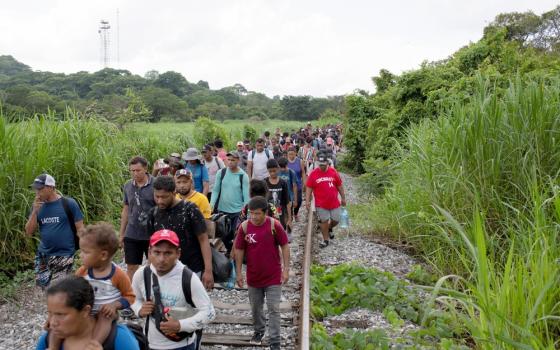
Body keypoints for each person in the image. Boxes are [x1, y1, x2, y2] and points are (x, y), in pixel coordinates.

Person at [49, 222, 136, 349]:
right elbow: (70, 291)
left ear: (103, 255)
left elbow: (130, 297)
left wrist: (114, 305)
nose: (81, 255)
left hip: (105, 314)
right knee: (58, 324)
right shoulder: (83, 272)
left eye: (85, 252)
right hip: (85, 313)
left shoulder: (118, 275)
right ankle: (52, 347)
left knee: (105, 318)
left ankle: (94, 344)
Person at [132, 230, 215, 350]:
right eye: (157, 252)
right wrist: (139, 309)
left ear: (178, 254)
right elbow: (133, 298)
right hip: (149, 343)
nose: (161, 259)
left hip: (182, 345)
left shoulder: (188, 278)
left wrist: (180, 326)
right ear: (149, 252)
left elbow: (209, 312)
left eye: (168, 253)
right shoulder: (142, 274)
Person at [235, 196, 290, 350]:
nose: (254, 217)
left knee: (274, 308)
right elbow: (238, 250)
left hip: (273, 276)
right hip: (253, 277)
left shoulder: (274, 225)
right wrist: (238, 273)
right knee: (256, 308)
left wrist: (286, 270)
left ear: (265, 213)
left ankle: (274, 341)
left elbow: (285, 245)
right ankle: (259, 331)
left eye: (257, 213)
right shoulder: (244, 227)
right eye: (251, 213)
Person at [146, 176, 213, 290]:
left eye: (164, 197)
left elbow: (203, 239)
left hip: (191, 269)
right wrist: (150, 267)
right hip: (163, 269)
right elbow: (152, 244)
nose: (160, 201)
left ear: (174, 193)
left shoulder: (190, 210)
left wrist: (208, 271)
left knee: (191, 304)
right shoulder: (153, 213)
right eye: (157, 196)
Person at [37, 276, 139, 350]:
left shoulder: (119, 338)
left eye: (60, 314)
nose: (53, 322)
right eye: (50, 313)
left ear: (85, 311)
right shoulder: (47, 340)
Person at [25, 173, 84, 289]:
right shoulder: (37, 206)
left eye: (40, 189)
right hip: (43, 255)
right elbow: (28, 232)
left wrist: (85, 251)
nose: (37, 192)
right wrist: (35, 212)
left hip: (64, 254)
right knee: (44, 288)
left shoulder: (69, 204)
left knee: (58, 289)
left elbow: (81, 229)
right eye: (35, 189)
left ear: (51, 188)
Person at [119, 156, 156, 282]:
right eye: (132, 171)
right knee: (131, 266)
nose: (135, 173)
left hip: (151, 232)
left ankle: (151, 293)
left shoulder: (155, 185)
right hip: (132, 232)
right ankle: (131, 295)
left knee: (152, 266)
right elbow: (126, 209)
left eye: (138, 170)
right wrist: (122, 234)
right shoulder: (128, 186)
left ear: (145, 169)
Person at [210, 151, 250, 254]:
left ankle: (236, 254)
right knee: (223, 235)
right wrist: (211, 204)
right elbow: (216, 190)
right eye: (229, 160)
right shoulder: (221, 173)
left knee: (235, 234)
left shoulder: (243, 176)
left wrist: (246, 212)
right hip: (222, 210)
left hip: (237, 212)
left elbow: (246, 196)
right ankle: (230, 251)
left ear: (238, 161)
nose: (230, 162)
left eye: (233, 160)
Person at [305, 153, 346, 248]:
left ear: (327, 163)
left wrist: (343, 198)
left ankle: (329, 228)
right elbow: (309, 188)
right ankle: (325, 240)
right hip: (321, 203)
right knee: (324, 221)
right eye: (320, 164)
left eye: (323, 164)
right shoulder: (314, 173)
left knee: (336, 220)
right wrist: (307, 201)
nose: (322, 166)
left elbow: (339, 185)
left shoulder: (333, 172)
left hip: (334, 202)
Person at [264, 159, 290, 230]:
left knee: (280, 232)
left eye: (274, 171)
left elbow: (287, 201)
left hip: (280, 215)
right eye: (270, 171)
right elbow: (261, 200)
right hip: (268, 215)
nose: (272, 173)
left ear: (278, 169)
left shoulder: (283, 183)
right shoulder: (264, 182)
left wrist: (289, 218)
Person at [277, 157, 298, 236]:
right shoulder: (277, 173)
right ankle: (282, 232)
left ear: (287, 165)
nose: (282, 169)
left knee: (289, 216)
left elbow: (294, 186)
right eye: (280, 167)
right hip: (279, 199)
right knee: (280, 216)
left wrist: (295, 200)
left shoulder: (291, 172)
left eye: (284, 167)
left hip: (289, 198)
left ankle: (289, 233)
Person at [286, 147, 306, 219]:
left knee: (299, 201)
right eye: (289, 154)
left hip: (298, 185)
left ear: (295, 153)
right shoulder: (285, 162)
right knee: (289, 202)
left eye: (292, 154)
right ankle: (290, 215)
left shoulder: (300, 161)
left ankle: (296, 212)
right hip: (288, 185)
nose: (291, 156)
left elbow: (303, 173)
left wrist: (304, 183)